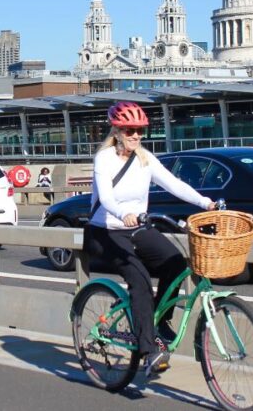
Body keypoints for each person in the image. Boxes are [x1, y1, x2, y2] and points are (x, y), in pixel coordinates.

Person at [86, 101, 215, 378]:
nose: (135, 136)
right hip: (106, 230)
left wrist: (205, 203)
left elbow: (174, 184)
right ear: (117, 130)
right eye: (130, 130)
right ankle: (149, 350)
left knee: (176, 264)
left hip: (137, 228)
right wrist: (125, 213)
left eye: (140, 131)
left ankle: (158, 320)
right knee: (140, 278)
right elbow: (106, 198)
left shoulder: (144, 158)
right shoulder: (104, 158)